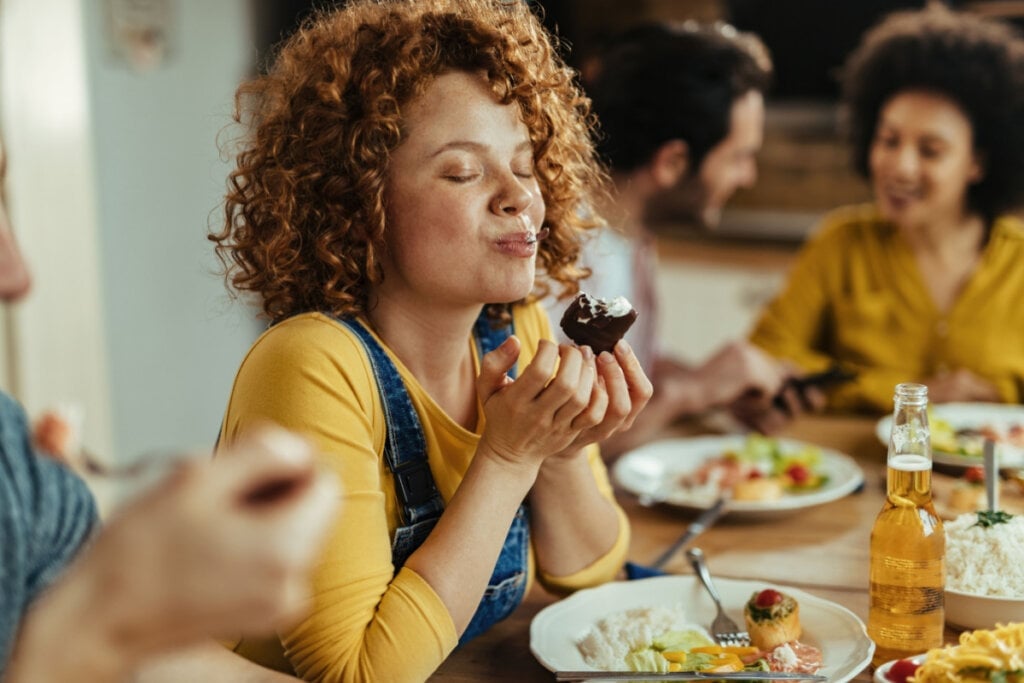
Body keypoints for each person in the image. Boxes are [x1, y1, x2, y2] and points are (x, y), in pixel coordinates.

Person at [208, 0, 651, 680]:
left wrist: (557, 450)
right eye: (463, 172)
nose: (519, 198)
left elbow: (591, 577)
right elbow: (358, 673)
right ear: (361, 208)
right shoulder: (311, 366)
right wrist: (505, 460)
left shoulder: (515, 326)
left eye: (526, 165)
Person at [0, 137, 338, 682]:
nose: (18, 277)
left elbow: (167, 667)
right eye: (461, 173)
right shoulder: (308, 358)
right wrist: (108, 620)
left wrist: (131, 611)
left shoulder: (14, 460)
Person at [545, 20, 808, 457]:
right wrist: (691, 392)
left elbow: (629, 363)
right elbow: (556, 444)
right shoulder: (562, 257)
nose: (749, 176)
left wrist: (727, 387)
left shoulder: (628, 233)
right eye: (739, 157)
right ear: (672, 161)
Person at [749, 5, 1024, 413]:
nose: (901, 165)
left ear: (978, 163)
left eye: (930, 150)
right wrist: (910, 392)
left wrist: (999, 394)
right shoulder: (840, 243)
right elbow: (765, 359)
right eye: (889, 140)